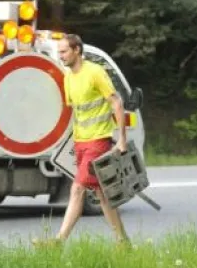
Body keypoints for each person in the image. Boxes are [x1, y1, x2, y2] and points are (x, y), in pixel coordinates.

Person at [34, 33, 129, 246]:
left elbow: (117, 103)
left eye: (64, 51)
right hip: (80, 142)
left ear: (77, 50)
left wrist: (121, 139)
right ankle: (123, 241)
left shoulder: (95, 72)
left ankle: (58, 241)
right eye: (59, 52)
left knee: (77, 189)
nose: (61, 56)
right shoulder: (68, 78)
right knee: (101, 194)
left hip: (98, 141)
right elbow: (75, 112)